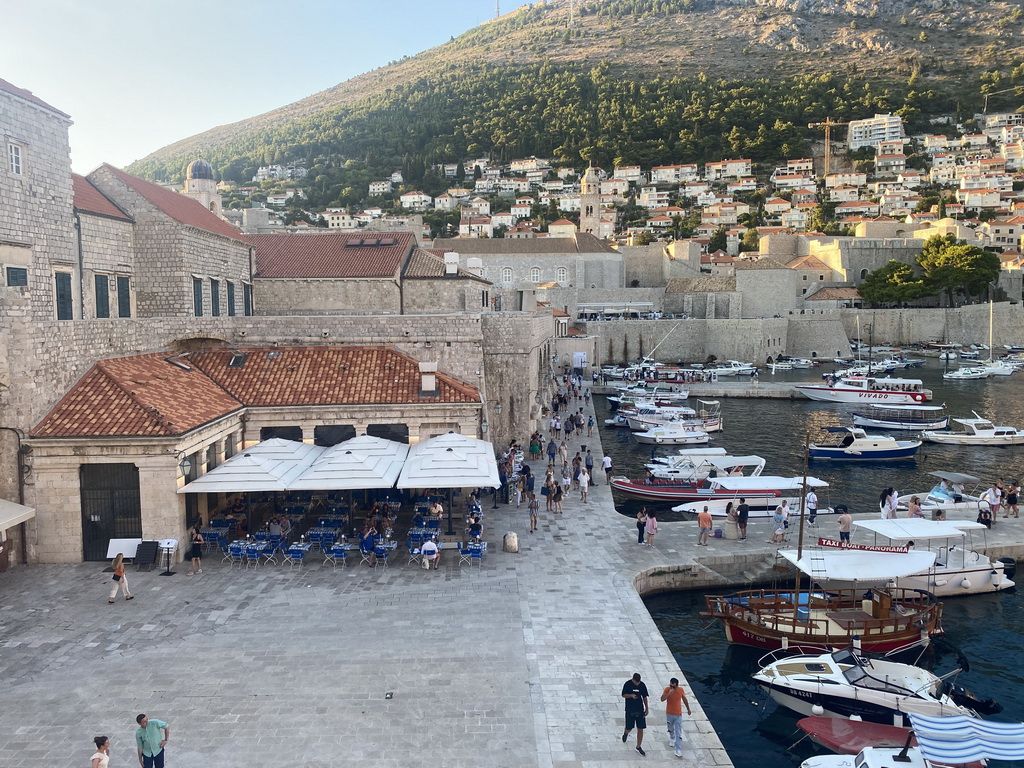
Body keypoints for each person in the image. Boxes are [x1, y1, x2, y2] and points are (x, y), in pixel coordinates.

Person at [661, 677, 692, 758]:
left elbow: (684, 699)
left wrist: (688, 709)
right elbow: (662, 699)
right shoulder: (667, 690)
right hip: (669, 713)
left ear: (677, 685)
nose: (672, 688)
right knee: (670, 728)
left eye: (673, 687)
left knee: (678, 732)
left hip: (678, 714)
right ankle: (672, 737)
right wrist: (668, 693)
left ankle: (678, 749)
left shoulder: (680, 690)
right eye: (670, 686)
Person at [621, 673, 649, 757]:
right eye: (636, 682)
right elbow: (623, 695)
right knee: (629, 727)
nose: (637, 684)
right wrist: (631, 695)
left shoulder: (642, 685)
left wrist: (646, 708)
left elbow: (644, 697)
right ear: (633, 680)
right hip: (630, 709)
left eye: (638, 682)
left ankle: (638, 746)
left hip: (639, 709)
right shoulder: (627, 684)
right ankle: (626, 733)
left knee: (640, 728)